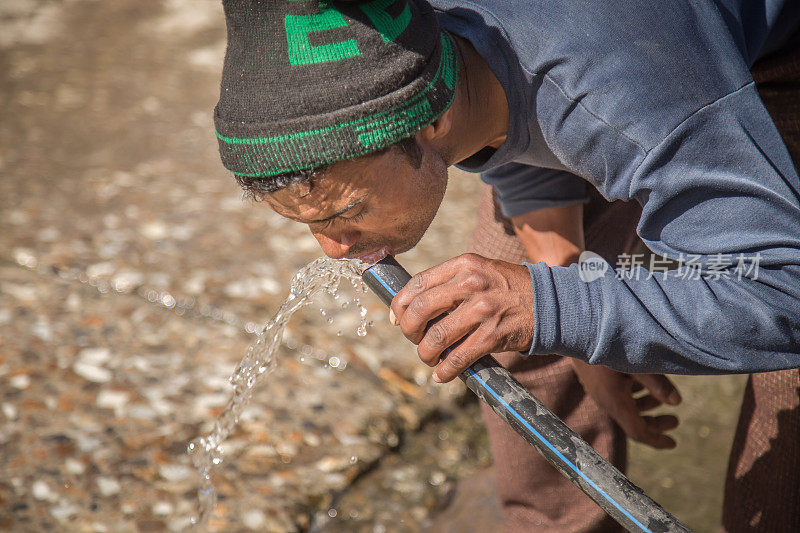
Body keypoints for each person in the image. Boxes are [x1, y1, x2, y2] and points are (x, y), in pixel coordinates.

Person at [211, 0, 800, 530]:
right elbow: (507, 110)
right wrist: (569, 309)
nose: (333, 248)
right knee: (509, 328)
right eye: (308, 224)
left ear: (431, 121)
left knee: (786, 398)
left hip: (766, 57)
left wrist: (558, 305)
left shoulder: (612, 84)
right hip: (643, 63)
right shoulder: (434, 55)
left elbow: (784, 288)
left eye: (348, 211)